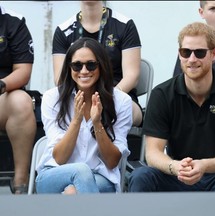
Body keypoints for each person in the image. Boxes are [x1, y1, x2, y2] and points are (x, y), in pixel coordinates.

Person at [128, 22, 215, 192]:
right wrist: (174, 167)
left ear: (214, 54)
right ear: (179, 54)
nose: (192, 59)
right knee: (141, 176)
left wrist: (205, 165)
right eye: (186, 52)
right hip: (178, 176)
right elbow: (152, 153)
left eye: (199, 52)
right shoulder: (161, 94)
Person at [36, 37, 132, 194]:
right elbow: (59, 158)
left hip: (100, 177)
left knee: (72, 192)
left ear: (101, 66)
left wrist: (97, 123)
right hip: (54, 174)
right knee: (81, 171)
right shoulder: (52, 98)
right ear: (69, 68)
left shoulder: (121, 101)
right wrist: (76, 120)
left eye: (91, 65)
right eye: (77, 65)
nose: (84, 71)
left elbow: (112, 161)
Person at [52, 1, 143, 126]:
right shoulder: (63, 30)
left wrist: (108, 98)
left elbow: (132, 76)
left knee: (117, 108)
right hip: (77, 97)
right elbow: (60, 79)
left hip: (117, 95)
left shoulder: (125, 25)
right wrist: (81, 100)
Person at [0, 5, 36, 194]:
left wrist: (1, 84)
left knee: (22, 102)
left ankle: (21, 181)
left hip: (3, 95)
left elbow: (23, 71)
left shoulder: (14, 22)